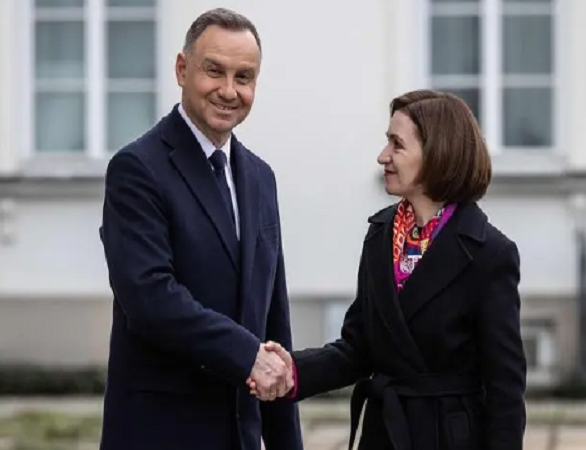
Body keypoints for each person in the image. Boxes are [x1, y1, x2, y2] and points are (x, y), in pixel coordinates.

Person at [250, 90, 527, 450]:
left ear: (438, 153)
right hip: (383, 433)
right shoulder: (380, 234)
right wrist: (293, 371)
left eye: (397, 145)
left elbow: (506, 389)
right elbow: (358, 348)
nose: (383, 156)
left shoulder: (490, 253)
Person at [99, 8, 301, 450]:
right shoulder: (137, 169)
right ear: (181, 69)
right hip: (160, 434)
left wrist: (286, 441)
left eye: (244, 77)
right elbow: (150, 298)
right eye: (214, 71)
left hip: (239, 436)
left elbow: (273, 319)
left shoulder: (261, 178)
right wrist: (248, 356)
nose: (229, 91)